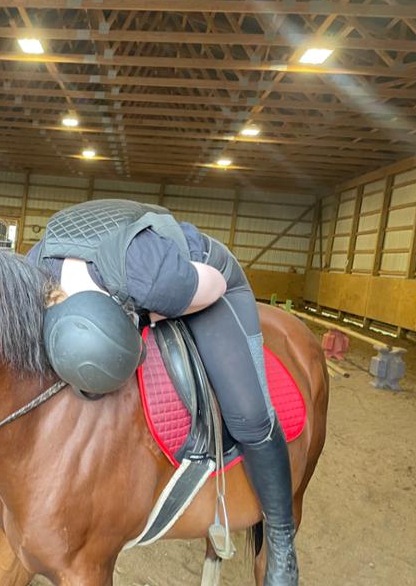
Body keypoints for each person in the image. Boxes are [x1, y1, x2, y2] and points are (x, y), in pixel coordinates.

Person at [27, 199, 297, 586]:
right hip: (124, 273)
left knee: (248, 415)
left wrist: (145, 315)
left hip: (205, 274)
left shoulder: (156, 282)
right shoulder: (36, 273)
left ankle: (282, 538)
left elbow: (213, 287)